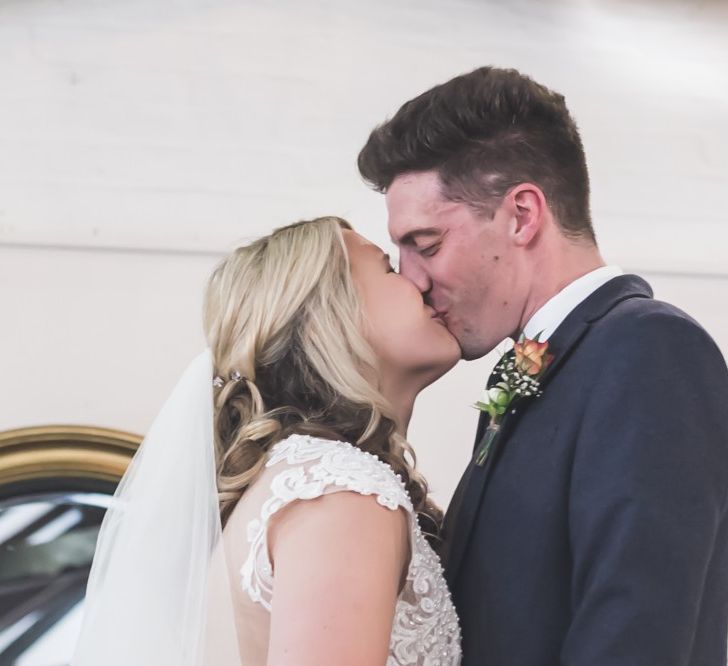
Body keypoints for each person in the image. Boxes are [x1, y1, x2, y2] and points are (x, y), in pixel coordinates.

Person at [358, 66, 728, 665]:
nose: (413, 279)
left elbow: (635, 632)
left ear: (523, 215)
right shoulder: (529, 367)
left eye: (425, 245)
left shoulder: (651, 352)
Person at [71, 217, 462, 666]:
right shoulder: (339, 492)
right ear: (324, 322)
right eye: (389, 270)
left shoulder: (306, 480)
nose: (421, 280)